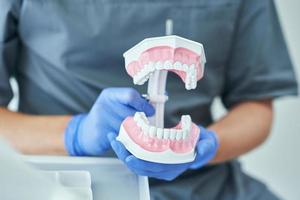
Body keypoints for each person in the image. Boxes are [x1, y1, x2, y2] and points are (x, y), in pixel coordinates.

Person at [0, 0, 297, 199]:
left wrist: (209, 146)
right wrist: (75, 134)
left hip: (206, 186)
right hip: (66, 184)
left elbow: (256, 104)